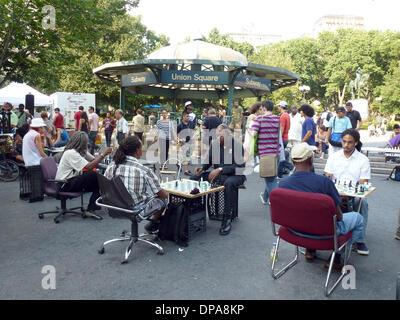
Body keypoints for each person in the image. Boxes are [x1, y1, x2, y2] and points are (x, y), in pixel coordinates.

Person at [279, 142, 365, 270]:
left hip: (294, 230)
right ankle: (337, 256)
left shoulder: (283, 184)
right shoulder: (324, 183)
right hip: (325, 233)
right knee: (358, 218)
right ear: (311, 159)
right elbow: (339, 217)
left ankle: (310, 250)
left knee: (308, 217)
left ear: (292, 160)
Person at [105, 135, 168, 233]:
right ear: (137, 150)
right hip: (136, 211)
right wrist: (155, 195)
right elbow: (163, 195)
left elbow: (104, 190)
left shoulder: (111, 166)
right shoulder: (143, 169)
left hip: (114, 208)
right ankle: (153, 224)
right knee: (162, 200)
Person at [191, 124, 246, 236]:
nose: (216, 138)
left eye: (219, 136)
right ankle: (193, 214)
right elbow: (209, 160)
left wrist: (220, 169)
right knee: (194, 178)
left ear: (226, 135)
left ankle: (226, 219)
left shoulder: (238, 145)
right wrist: (203, 167)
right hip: (219, 174)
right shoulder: (215, 144)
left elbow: (240, 167)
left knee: (229, 184)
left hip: (235, 174)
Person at [324, 128, 370, 256]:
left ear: (356, 143)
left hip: (352, 194)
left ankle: (360, 240)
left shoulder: (363, 160)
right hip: (335, 192)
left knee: (362, 202)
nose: (346, 145)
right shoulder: (333, 157)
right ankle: (324, 233)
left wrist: (347, 194)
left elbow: (364, 184)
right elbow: (328, 177)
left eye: (350, 142)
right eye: (344, 141)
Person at [56, 131, 112, 217]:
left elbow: (94, 160)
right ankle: (93, 206)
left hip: (71, 180)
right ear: (81, 143)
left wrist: (101, 156)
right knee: (92, 174)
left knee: (98, 181)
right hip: (64, 184)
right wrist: (103, 154)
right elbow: (89, 166)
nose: (88, 143)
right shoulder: (71, 153)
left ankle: (92, 207)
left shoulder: (82, 151)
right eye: (86, 141)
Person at [250, 100, 280, 206]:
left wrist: (248, 129)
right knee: (271, 177)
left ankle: (276, 200)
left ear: (264, 108)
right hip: (276, 152)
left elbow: (253, 134)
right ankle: (265, 197)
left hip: (265, 153)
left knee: (270, 179)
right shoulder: (277, 119)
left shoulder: (259, 119)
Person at [277, 101, 294, 178]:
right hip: (286, 138)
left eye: (278, 106)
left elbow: (282, 128)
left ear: (281, 107)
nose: (278, 108)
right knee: (281, 156)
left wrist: (278, 139)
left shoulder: (283, 116)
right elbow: (289, 127)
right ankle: (279, 173)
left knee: (281, 157)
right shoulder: (287, 115)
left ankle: (292, 167)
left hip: (282, 139)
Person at [177, 111, 196, 176]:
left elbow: (194, 131)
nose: (188, 118)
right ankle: (186, 170)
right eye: (187, 116)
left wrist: (193, 136)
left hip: (191, 141)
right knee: (186, 155)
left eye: (189, 116)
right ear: (183, 117)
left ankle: (179, 163)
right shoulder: (180, 125)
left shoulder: (191, 123)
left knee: (189, 155)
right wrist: (179, 139)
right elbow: (177, 134)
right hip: (184, 142)